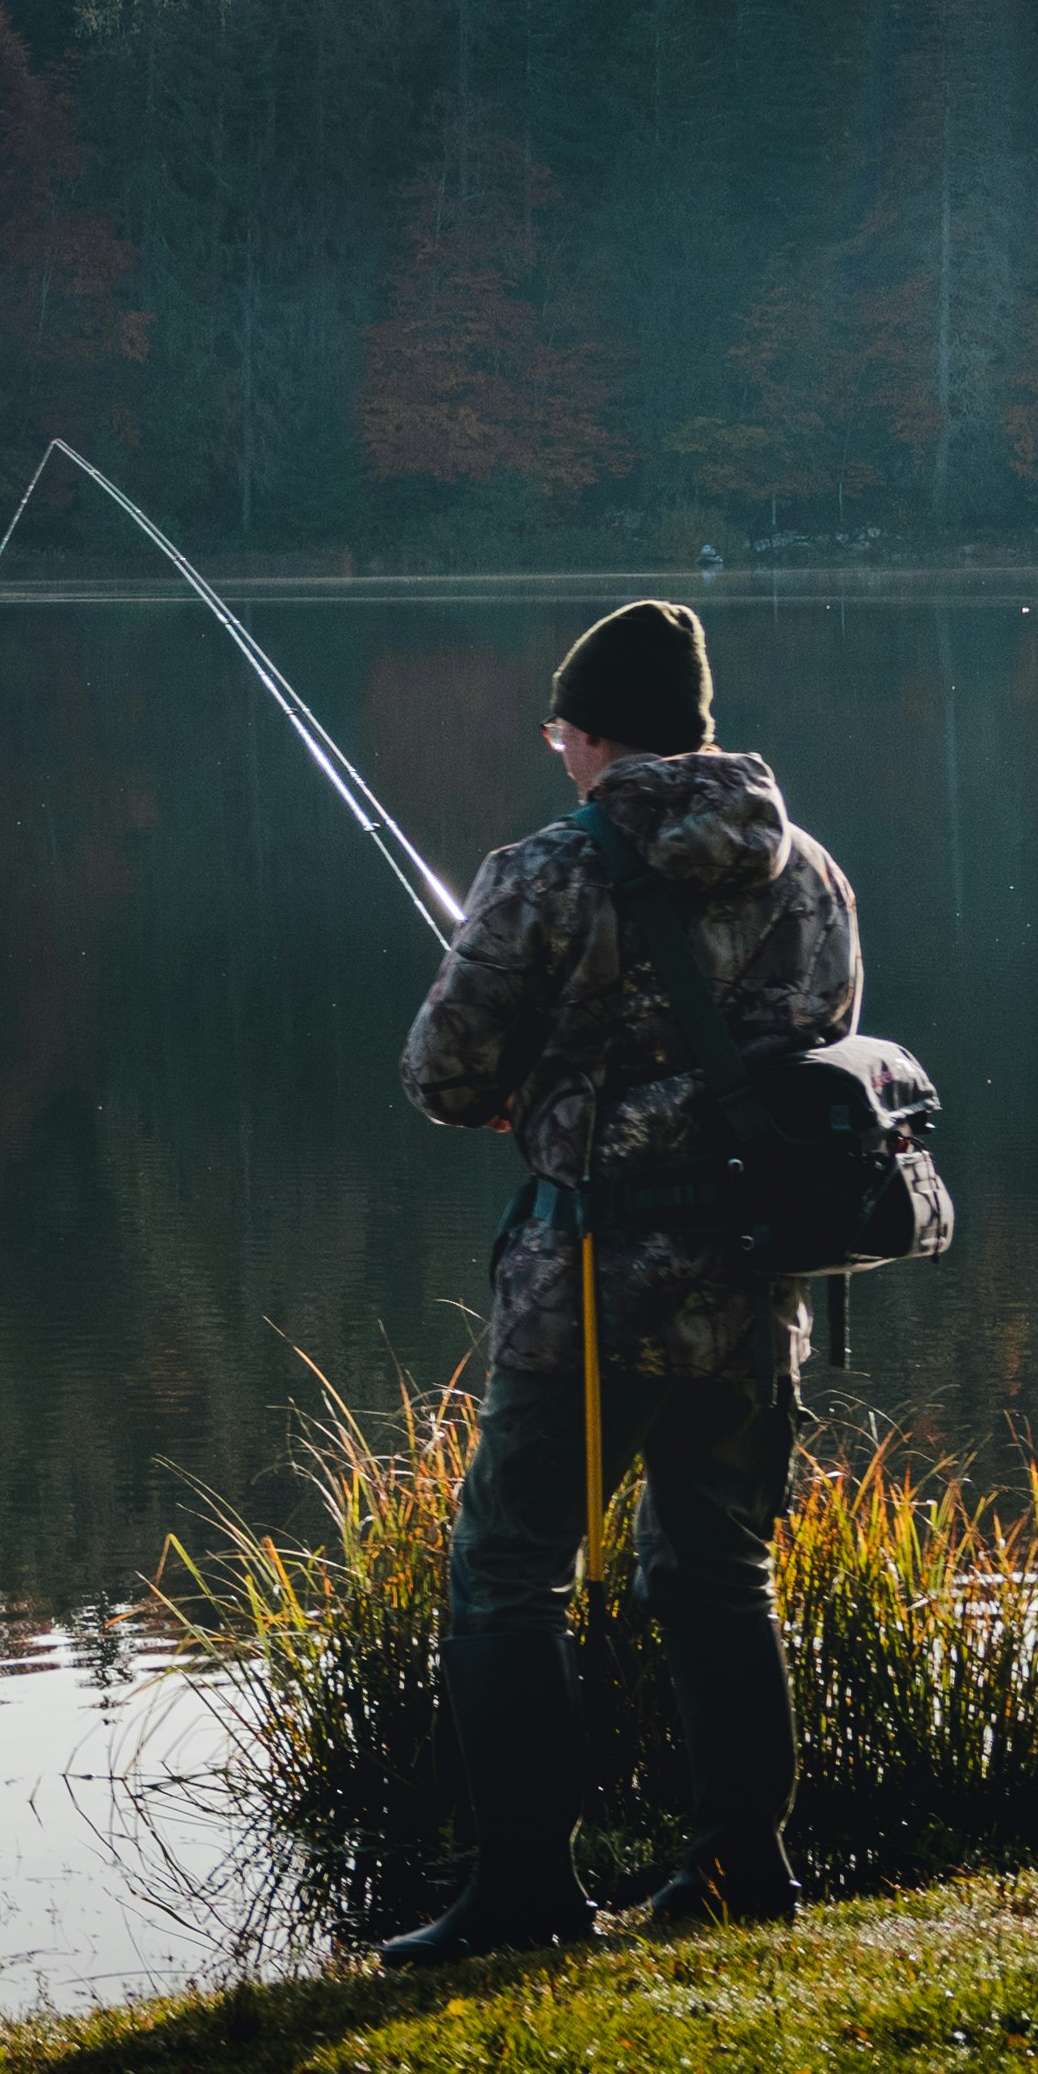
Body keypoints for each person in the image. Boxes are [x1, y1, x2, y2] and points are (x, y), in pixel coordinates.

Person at [382, 597, 860, 1963]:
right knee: (721, 1573)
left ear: (599, 738)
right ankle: (740, 1870)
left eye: (563, 734)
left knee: (506, 1578)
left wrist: (533, 1083)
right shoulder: (809, 869)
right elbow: (811, 1052)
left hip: (587, 1287)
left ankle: (528, 1890)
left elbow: (442, 1078)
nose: (560, 757)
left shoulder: (545, 872)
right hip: (757, 1286)